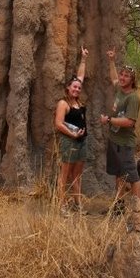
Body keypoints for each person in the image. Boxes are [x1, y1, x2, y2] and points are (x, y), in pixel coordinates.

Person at [100, 48, 140, 231]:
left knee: (133, 178)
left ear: (132, 80)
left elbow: (129, 121)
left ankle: (139, 214)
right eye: (122, 74)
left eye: (127, 75)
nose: (122, 77)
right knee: (119, 176)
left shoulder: (133, 98)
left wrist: (109, 120)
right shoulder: (119, 90)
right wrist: (112, 61)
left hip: (125, 145)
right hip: (114, 141)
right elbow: (113, 78)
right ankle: (118, 209)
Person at [54, 46, 89, 215]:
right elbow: (58, 124)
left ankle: (77, 203)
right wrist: (73, 134)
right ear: (68, 88)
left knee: (77, 175)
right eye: (74, 87)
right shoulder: (63, 104)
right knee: (64, 175)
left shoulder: (78, 103)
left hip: (82, 141)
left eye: (78, 88)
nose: (76, 89)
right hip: (69, 141)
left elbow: (80, 77)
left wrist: (83, 59)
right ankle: (62, 206)